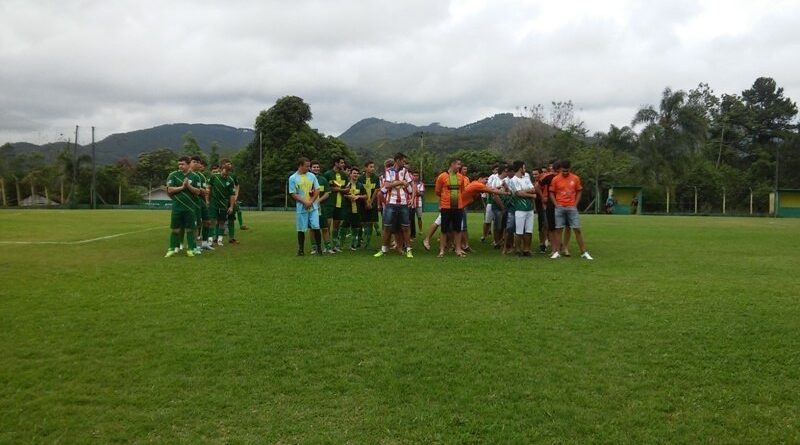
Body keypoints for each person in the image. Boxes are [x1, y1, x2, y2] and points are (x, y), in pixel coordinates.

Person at [549, 160, 593, 260]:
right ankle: (556, 252)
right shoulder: (555, 179)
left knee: (577, 229)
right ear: (560, 170)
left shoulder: (575, 178)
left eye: (567, 171)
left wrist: (575, 204)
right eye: (563, 171)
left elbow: (579, 191)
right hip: (560, 207)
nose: (565, 173)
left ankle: (584, 252)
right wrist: (556, 204)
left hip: (571, 207)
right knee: (559, 229)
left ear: (570, 169)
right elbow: (551, 192)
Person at [374, 152, 415, 258]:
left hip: (403, 204)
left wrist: (413, 198)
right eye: (403, 161)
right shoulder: (389, 171)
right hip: (390, 204)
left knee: (405, 227)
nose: (404, 163)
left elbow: (412, 185)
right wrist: (401, 183)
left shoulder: (405, 171)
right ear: (397, 160)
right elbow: (386, 185)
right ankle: (383, 249)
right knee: (387, 227)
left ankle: (408, 250)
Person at [165, 156, 202, 257]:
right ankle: (171, 249)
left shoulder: (195, 177)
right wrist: (182, 187)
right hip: (177, 207)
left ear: (189, 164)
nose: (180, 166)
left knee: (190, 229)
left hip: (190, 208)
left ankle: (190, 249)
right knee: (175, 229)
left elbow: (198, 191)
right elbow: (170, 190)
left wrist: (189, 186)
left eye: (183, 164)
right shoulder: (173, 175)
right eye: (179, 164)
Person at [288, 157, 322, 256]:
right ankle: (301, 250)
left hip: (313, 207)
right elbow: (293, 193)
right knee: (301, 228)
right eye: (307, 166)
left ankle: (319, 249)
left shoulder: (312, 176)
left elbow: (317, 189)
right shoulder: (293, 178)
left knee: (316, 226)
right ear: (300, 166)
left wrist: (311, 201)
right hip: (301, 208)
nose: (309, 168)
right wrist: (305, 202)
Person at [434, 159, 466, 257]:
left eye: (460, 165)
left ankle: (458, 250)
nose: (459, 167)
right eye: (458, 164)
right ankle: (442, 250)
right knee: (444, 229)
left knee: (457, 229)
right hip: (446, 206)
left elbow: (462, 190)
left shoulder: (461, 177)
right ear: (452, 164)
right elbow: (437, 191)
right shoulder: (442, 176)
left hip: (458, 207)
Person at [507, 160, 537, 256]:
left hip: (529, 208)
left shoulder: (526, 179)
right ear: (520, 168)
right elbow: (518, 193)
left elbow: (533, 189)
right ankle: (518, 250)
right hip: (520, 208)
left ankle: (526, 250)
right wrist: (531, 195)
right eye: (524, 167)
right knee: (519, 231)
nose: (525, 169)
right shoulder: (513, 180)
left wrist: (524, 191)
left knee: (529, 230)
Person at [209, 163, 237, 248]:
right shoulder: (214, 177)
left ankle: (220, 240)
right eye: (226, 170)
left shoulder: (230, 180)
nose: (227, 172)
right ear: (221, 169)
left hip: (223, 204)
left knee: (222, 222)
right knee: (212, 221)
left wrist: (231, 206)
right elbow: (208, 188)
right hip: (213, 203)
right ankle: (210, 240)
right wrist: (207, 200)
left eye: (229, 170)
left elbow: (232, 195)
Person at [190, 156, 214, 251]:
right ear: (190, 163)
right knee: (195, 224)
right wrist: (201, 190)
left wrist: (205, 197)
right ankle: (192, 245)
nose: (197, 164)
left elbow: (205, 191)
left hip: (202, 201)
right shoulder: (188, 174)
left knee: (207, 222)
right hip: (193, 201)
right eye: (194, 162)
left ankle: (204, 243)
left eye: (198, 162)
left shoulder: (201, 176)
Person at [324, 157, 348, 252]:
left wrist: (340, 190)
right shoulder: (328, 174)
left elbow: (347, 189)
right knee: (328, 224)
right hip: (330, 203)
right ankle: (327, 246)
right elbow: (326, 188)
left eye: (343, 163)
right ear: (336, 163)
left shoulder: (344, 175)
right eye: (341, 163)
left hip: (340, 203)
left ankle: (335, 245)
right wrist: (340, 190)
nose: (343, 165)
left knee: (337, 225)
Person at [311, 160, 334, 253]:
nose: (316, 169)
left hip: (322, 207)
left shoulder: (323, 179)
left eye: (317, 167)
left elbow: (328, 193)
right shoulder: (308, 179)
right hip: (311, 208)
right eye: (314, 167)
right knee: (312, 228)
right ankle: (314, 248)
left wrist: (319, 201)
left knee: (325, 227)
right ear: (310, 168)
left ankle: (328, 248)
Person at [359, 161, 381, 249]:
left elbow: (376, 190)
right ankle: (359, 241)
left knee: (371, 222)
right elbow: (360, 190)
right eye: (370, 167)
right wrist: (365, 202)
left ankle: (367, 242)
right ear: (365, 168)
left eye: (373, 167)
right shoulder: (361, 178)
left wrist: (370, 202)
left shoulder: (376, 178)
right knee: (361, 222)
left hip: (372, 204)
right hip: (362, 203)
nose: (373, 168)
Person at [344, 166, 366, 250]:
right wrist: (348, 196)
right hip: (346, 208)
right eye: (354, 173)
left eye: (357, 173)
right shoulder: (347, 183)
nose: (356, 175)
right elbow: (342, 193)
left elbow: (365, 196)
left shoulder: (360, 185)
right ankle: (339, 245)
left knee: (356, 227)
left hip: (357, 208)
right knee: (344, 227)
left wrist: (358, 197)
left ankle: (353, 244)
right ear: (350, 174)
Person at [220, 159, 241, 244]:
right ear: (222, 165)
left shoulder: (233, 175)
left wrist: (236, 196)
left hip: (231, 200)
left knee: (231, 218)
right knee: (220, 220)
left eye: (230, 164)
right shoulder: (217, 176)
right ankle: (217, 238)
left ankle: (231, 238)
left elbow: (237, 185)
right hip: (221, 200)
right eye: (227, 164)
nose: (229, 166)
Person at [482, 164, 500, 242]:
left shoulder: (501, 177)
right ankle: (484, 235)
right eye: (495, 169)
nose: (497, 171)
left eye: (498, 169)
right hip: (490, 202)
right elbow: (488, 188)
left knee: (496, 221)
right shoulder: (491, 177)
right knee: (487, 221)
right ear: (493, 170)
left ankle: (496, 239)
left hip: (499, 201)